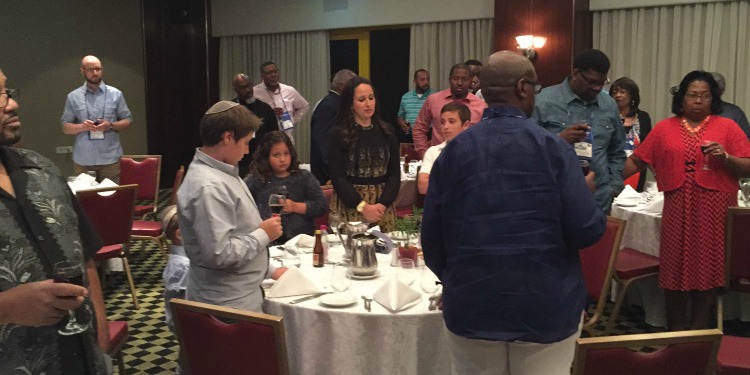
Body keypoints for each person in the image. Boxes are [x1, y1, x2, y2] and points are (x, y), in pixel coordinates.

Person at [421, 51, 605, 375]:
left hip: (473, 305)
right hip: (544, 305)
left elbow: (432, 241)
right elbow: (586, 230)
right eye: (535, 85)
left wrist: (457, 281)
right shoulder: (553, 149)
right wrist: (586, 195)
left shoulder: (451, 155)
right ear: (523, 87)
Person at [0, 68, 111, 374]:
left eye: (7, 91)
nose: (11, 104)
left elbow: (86, 261)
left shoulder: (43, 170)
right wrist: (7, 308)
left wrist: (101, 347)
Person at [623, 70, 750, 330]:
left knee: (709, 272)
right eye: (693, 95)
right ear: (681, 98)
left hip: (715, 210)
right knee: (675, 272)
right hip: (677, 207)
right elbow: (637, 160)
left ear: (713, 99)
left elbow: (747, 166)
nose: (699, 100)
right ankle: (675, 336)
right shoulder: (664, 128)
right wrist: (605, 178)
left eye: (705, 96)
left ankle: (700, 338)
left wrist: (725, 158)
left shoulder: (728, 127)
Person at [176, 101, 286, 313]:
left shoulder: (222, 172)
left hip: (236, 293)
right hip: (228, 303)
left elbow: (239, 230)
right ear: (227, 137)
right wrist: (263, 234)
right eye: (245, 142)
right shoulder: (208, 186)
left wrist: (269, 269)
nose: (247, 150)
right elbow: (220, 254)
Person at [533, 49, 626, 212]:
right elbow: (527, 150)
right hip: (556, 200)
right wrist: (559, 140)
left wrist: (613, 187)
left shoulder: (609, 105)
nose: (598, 88)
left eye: (602, 82)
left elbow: (617, 152)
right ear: (575, 73)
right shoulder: (543, 102)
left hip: (599, 201)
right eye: (592, 81)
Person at [328, 77, 400, 232]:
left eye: (371, 98)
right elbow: (338, 177)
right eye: (361, 99)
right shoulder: (340, 134)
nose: (368, 104)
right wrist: (363, 206)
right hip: (351, 205)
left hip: (382, 207)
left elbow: (394, 174)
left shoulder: (387, 131)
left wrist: (382, 204)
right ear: (351, 104)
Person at [245, 131, 327, 244]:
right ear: (266, 157)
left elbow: (321, 206)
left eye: (286, 153)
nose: (282, 159)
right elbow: (243, 207)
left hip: (301, 240)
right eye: (276, 155)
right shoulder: (257, 180)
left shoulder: (303, 177)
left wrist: (295, 206)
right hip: (268, 241)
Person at [61, 55, 132, 183]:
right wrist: (82, 127)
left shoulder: (116, 94)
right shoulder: (73, 96)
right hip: (83, 160)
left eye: (98, 69)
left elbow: (127, 121)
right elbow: (66, 128)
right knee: (86, 201)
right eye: (90, 69)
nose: (95, 73)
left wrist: (110, 125)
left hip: (110, 160)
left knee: (110, 200)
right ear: (82, 71)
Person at [412, 63, 487, 158]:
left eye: (464, 79)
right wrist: (425, 155)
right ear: (449, 80)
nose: (459, 83)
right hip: (438, 159)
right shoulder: (433, 100)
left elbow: (485, 136)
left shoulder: (481, 106)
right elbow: (419, 128)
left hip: (469, 160)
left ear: (470, 81)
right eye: (456, 78)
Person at [310, 69, 357, 184]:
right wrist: (333, 174)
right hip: (328, 177)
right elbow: (324, 143)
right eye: (353, 84)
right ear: (341, 86)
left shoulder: (337, 104)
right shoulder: (329, 107)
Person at [231, 73, 278, 178]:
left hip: (261, 161)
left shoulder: (264, 108)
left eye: (249, 85)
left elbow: (275, 136)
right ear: (235, 89)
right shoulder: (231, 109)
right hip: (239, 162)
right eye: (243, 87)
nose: (248, 90)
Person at [609, 77, 652, 191]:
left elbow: (648, 148)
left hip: (636, 172)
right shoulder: (607, 117)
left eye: (622, 92)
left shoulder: (643, 117)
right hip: (612, 172)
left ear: (632, 95)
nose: (618, 95)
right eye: (614, 92)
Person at [417, 103, 470, 195]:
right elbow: (423, 186)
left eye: (451, 121)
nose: (445, 127)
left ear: (465, 125)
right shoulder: (433, 151)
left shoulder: (475, 150)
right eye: (442, 122)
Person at [253, 61, 309, 143]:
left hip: (286, 138)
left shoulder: (289, 90)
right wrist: (269, 114)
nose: (273, 75)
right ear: (262, 76)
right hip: (265, 139)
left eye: (275, 71)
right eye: (269, 73)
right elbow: (251, 115)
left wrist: (292, 119)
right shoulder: (255, 92)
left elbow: (304, 106)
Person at [396, 69, 434, 143]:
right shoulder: (406, 97)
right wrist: (402, 123)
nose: (426, 82)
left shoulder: (434, 96)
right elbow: (400, 116)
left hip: (428, 137)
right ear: (415, 81)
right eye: (422, 79)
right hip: (410, 137)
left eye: (427, 79)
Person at [711, 72, 750, 140]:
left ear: (722, 91)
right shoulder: (694, 110)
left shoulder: (734, 113)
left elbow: (746, 140)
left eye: (714, 89)